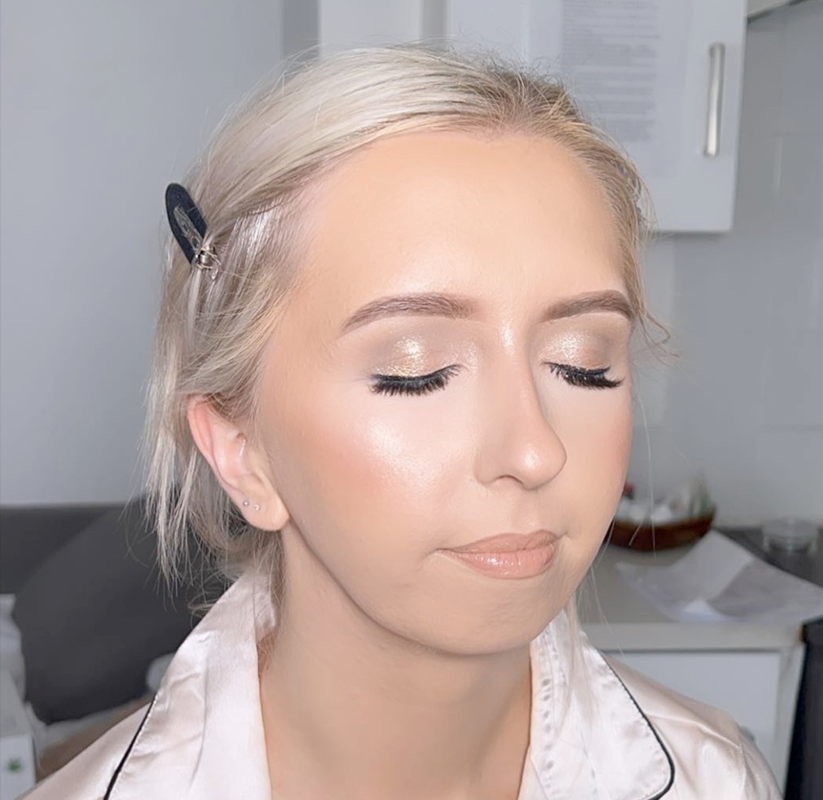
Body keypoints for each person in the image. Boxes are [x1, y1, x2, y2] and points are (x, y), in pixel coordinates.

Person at [25, 47, 782, 800]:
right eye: (417, 371)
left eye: (583, 364)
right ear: (241, 451)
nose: (534, 451)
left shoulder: (716, 780)